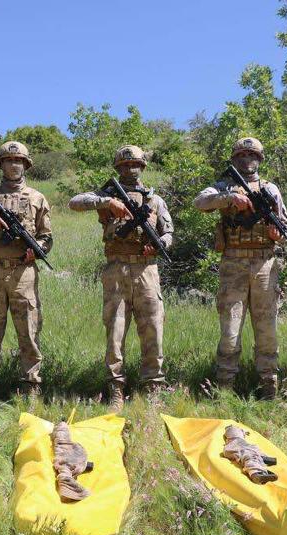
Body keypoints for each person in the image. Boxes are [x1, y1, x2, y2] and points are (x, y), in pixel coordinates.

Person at [68, 145, 173, 410]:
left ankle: (153, 387)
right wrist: (106, 202)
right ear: (118, 169)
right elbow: (75, 202)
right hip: (116, 269)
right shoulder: (107, 195)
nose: (130, 169)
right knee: (115, 329)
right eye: (125, 166)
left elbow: (169, 233)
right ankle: (116, 387)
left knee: (153, 328)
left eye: (135, 164)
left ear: (143, 167)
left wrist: (160, 242)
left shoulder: (154, 200)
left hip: (147, 269)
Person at [194, 137, 287, 399]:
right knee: (230, 329)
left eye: (252, 155)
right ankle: (225, 389)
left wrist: (276, 233)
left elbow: (285, 227)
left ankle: (269, 387)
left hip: (264, 263)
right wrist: (229, 198)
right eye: (241, 155)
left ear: (260, 159)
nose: (247, 160)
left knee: (267, 329)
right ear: (234, 160)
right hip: (233, 263)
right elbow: (201, 202)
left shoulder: (270, 190)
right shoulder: (224, 186)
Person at [0, 141, 53, 408]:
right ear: (1, 164)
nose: (14, 164)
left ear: (25, 165)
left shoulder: (37, 198)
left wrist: (36, 252)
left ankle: (31, 387)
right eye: (8, 160)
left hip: (22, 272)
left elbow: (47, 237)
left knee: (29, 328)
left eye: (18, 161)